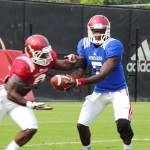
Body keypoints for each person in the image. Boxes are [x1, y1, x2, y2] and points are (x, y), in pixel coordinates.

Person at [66, 15, 134, 150]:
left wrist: (78, 83)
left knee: (123, 125)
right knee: (81, 125)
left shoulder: (114, 45)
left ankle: (128, 148)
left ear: (107, 30)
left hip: (118, 91)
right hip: (99, 92)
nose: (98, 34)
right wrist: (69, 79)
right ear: (89, 31)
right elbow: (80, 70)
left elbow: (102, 75)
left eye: (101, 30)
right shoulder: (84, 44)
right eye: (95, 31)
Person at [0, 34, 77, 150]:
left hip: (19, 99)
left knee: (31, 127)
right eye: (43, 54)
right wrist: (30, 104)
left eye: (47, 52)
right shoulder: (24, 64)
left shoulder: (48, 58)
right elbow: (11, 93)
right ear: (32, 54)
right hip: (4, 98)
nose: (47, 56)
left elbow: (65, 66)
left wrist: (72, 61)